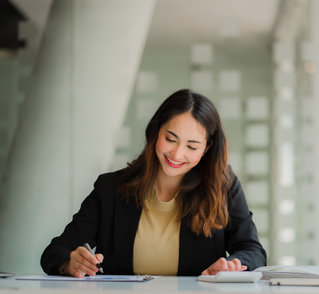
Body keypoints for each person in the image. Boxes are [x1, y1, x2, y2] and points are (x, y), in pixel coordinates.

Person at [41, 89, 267, 277]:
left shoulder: (223, 186)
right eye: (170, 139)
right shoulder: (110, 188)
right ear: (155, 132)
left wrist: (230, 266)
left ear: (206, 149)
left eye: (192, 146)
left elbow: (252, 250)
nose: (177, 154)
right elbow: (55, 252)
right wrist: (71, 264)